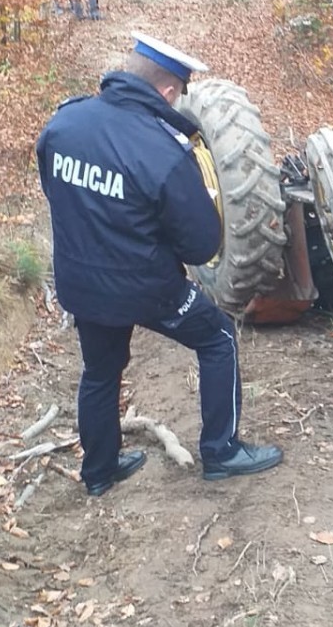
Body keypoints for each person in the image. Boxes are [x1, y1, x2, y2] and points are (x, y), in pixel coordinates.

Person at [36, 33, 283, 497]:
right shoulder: (164, 151)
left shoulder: (64, 123)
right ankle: (221, 451)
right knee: (217, 337)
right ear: (169, 91)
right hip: (148, 288)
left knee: (100, 371)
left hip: (82, 283)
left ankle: (99, 472)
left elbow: (55, 190)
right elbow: (200, 245)